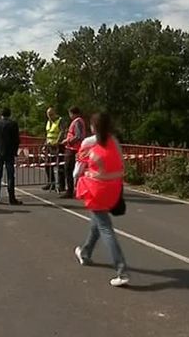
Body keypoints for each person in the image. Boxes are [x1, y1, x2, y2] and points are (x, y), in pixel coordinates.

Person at [73, 112, 129, 287]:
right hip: (113, 187)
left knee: (105, 227)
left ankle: (121, 270)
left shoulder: (88, 143)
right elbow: (121, 165)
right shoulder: (114, 141)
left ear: (93, 127)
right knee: (98, 221)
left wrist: (81, 177)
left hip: (95, 188)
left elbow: (78, 169)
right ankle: (85, 252)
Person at [0, 108, 23, 205]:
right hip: (9, 153)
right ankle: (12, 198)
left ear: (1, 114)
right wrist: (15, 150)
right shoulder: (13, 124)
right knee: (10, 176)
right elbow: (17, 140)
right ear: (9, 114)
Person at [60, 106, 86, 199]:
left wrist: (68, 141)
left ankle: (70, 190)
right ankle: (73, 189)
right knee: (72, 170)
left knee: (69, 169)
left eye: (70, 114)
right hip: (73, 148)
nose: (70, 116)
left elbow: (78, 136)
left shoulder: (78, 121)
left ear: (73, 113)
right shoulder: (78, 121)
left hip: (73, 149)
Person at [43, 107, 65, 192]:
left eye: (51, 114)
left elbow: (62, 131)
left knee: (60, 166)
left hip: (58, 146)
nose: (50, 116)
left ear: (55, 113)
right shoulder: (48, 122)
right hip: (49, 146)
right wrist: (44, 144)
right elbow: (48, 134)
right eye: (48, 115)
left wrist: (57, 141)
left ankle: (61, 185)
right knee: (47, 165)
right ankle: (50, 182)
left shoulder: (60, 120)